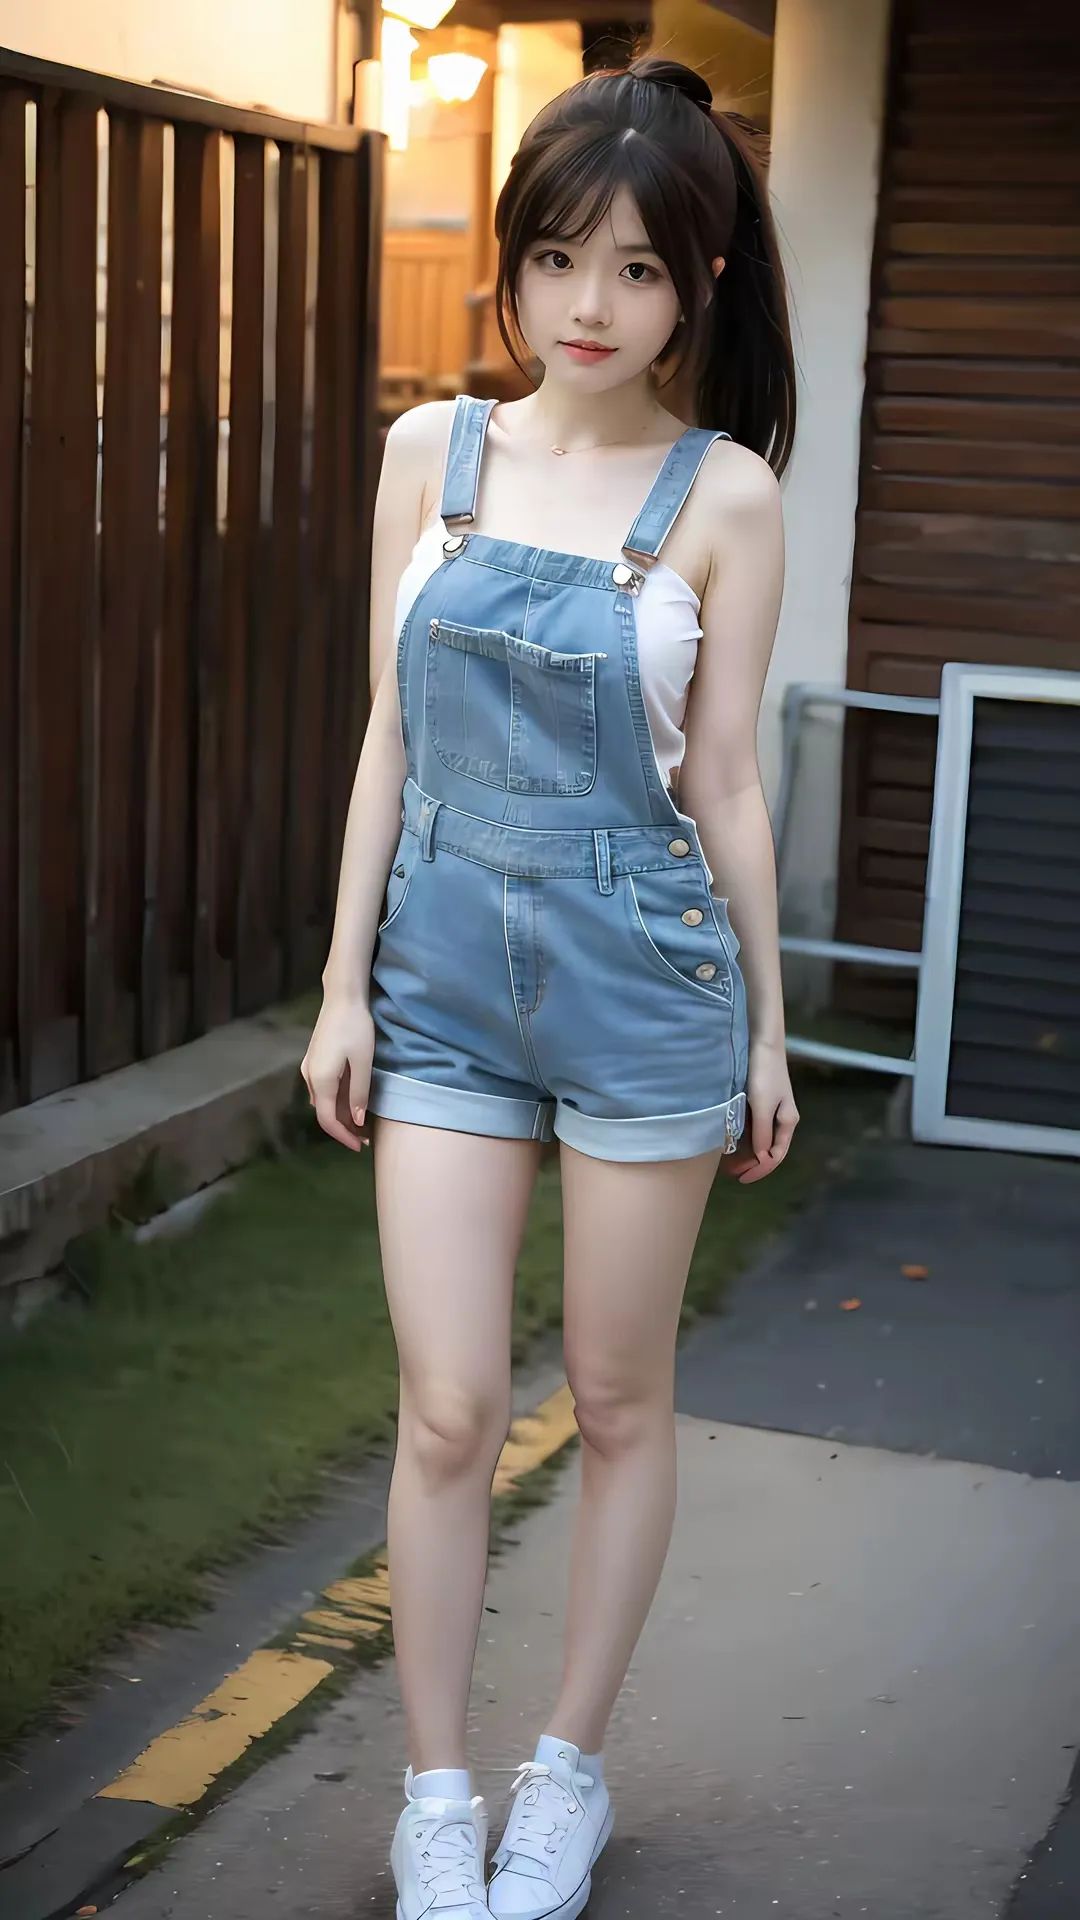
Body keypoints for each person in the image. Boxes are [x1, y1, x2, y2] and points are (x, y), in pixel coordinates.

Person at [301, 50, 799, 1920]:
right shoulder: (428, 455)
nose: (593, 305)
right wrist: (340, 984)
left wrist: (768, 1027)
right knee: (446, 1410)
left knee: (612, 1400)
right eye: (561, 258)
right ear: (512, 264)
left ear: (701, 284)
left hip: (645, 978)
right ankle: (436, 1797)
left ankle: (564, 1776)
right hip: (439, 972)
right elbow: (387, 735)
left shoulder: (725, 496)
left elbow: (726, 780)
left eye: (640, 268)